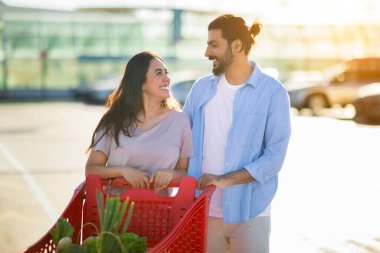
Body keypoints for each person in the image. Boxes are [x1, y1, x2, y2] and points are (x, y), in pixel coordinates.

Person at [183, 14, 291, 253]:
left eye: (214, 44)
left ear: (237, 45)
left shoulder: (273, 92)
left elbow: (274, 157)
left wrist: (225, 180)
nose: (206, 52)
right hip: (203, 208)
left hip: (251, 212)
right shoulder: (201, 89)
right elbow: (179, 138)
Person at [85, 51, 193, 190]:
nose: (167, 78)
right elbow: (92, 169)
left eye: (166, 72)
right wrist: (123, 171)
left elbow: (185, 172)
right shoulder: (114, 120)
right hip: (116, 210)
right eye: (159, 73)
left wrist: (171, 174)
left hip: (161, 210)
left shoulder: (181, 121)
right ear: (140, 82)